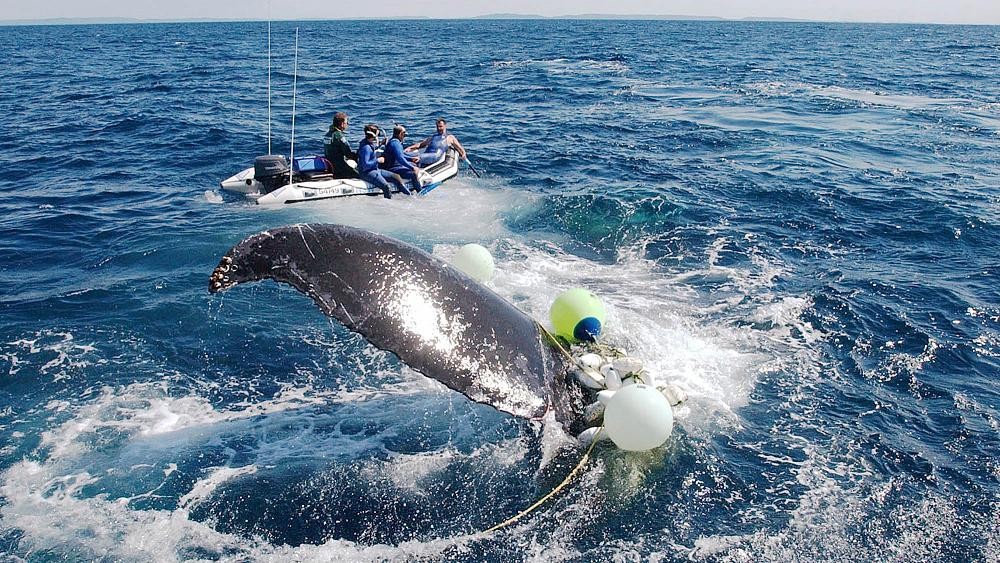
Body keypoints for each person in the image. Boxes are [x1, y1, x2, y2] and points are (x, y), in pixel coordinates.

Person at [357, 124, 410, 198]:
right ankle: (388, 204)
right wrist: (377, 160)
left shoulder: (368, 143)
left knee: (396, 176)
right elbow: (365, 165)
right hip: (367, 173)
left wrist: (381, 144)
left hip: (375, 169)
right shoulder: (366, 148)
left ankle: (408, 196)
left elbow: (372, 149)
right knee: (386, 186)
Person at [382, 125, 424, 192]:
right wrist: (412, 168)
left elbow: (401, 155)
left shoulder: (393, 141)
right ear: (400, 134)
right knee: (414, 173)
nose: (404, 137)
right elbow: (400, 159)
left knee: (415, 163)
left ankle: (414, 184)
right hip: (393, 168)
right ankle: (419, 190)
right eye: (404, 134)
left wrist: (411, 159)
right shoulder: (395, 144)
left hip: (396, 166)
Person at [323, 112, 358, 179]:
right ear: (342, 124)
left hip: (331, 165)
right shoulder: (339, 136)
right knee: (359, 173)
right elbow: (348, 154)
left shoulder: (328, 134)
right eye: (346, 123)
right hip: (340, 167)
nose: (347, 124)